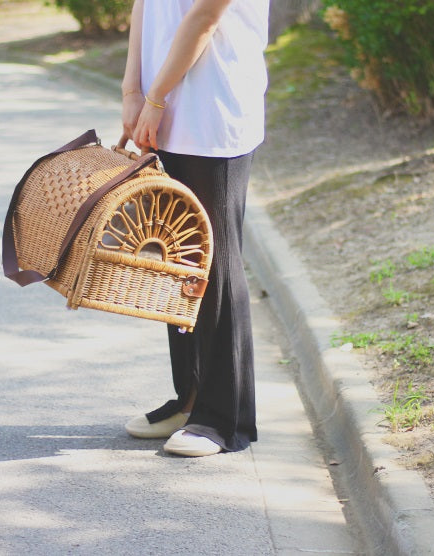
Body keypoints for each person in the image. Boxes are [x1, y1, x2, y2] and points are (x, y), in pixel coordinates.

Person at [120, 0, 270, 457]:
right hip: (164, 113)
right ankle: (189, 400)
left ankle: (224, 419)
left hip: (212, 114)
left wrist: (155, 96)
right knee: (179, 263)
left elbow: (205, 15)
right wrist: (133, 90)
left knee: (215, 264)